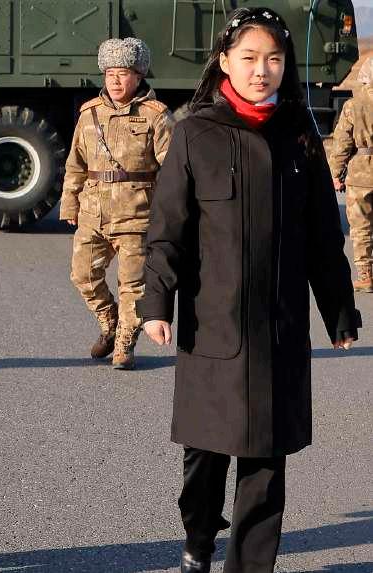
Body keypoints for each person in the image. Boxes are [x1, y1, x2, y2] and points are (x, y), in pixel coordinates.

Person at [138, 8, 361, 572]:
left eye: (274, 59)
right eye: (250, 58)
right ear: (225, 62)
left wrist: (339, 310)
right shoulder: (195, 133)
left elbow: (322, 235)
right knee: (206, 455)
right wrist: (156, 302)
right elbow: (167, 230)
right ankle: (198, 539)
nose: (262, 70)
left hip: (279, 327)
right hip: (213, 324)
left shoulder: (299, 135)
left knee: (266, 459)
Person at [60, 37, 173, 370]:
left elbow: (172, 170)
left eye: (123, 74)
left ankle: (125, 342)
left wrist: (169, 213)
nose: (115, 80)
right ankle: (109, 322)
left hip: (136, 215)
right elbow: (76, 164)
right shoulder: (89, 114)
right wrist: (70, 204)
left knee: (133, 286)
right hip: (93, 213)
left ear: (138, 76)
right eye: (110, 74)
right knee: (83, 275)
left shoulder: (156, 116)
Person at [328, 56, 373, 293]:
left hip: (361, 175)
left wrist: (335, 174)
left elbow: (342, 144)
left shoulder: (353, 106)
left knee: (361, 226)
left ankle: (366, 275)